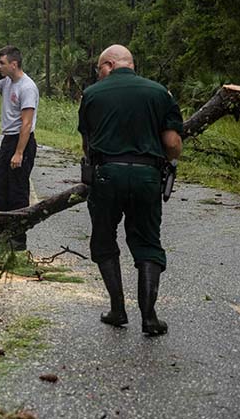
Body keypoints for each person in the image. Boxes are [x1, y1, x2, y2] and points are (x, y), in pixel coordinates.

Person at [78, 44, 183, 336]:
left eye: (99, 68)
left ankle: (117, 309)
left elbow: (87, 145)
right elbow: (173, 144)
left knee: (103, 239)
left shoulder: (91, 95)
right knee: (147, 242)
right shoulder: (160, 93)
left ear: (110, 64)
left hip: (106, 176)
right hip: (147, 177)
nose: (98, 75)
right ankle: (149, 317)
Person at [0, 45, 39, 250]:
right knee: (1, 190)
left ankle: (17, 238)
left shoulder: (27, 87)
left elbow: (26, 123)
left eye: (2, 63)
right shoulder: (5, 82)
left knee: (17, 191)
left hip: (21, 141)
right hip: (7, 141)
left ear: (14, 64)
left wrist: (19, 152)